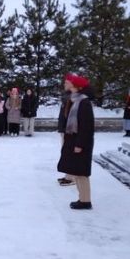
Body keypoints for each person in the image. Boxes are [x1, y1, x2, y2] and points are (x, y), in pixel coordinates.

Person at [57, 74, 94, 210]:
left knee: (81, 173)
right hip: (73, 140)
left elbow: (86, 127)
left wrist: (80, 144)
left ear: (76, 86)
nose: (65, 84)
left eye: (67, 82)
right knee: (76, 171)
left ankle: (85, 201)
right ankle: (82, 199)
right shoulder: (74, 100)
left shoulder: (83, 102)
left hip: (80, 143)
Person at [57, 91, 75, 186]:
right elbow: (62, 117)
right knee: (66, 154)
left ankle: (72, 177)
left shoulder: (72, 100)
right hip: (64, 131)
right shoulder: (65, 101)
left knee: (70, 154)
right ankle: (68, 175)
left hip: (69, 132)